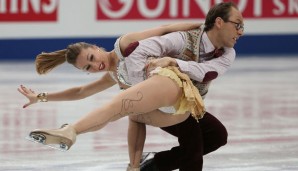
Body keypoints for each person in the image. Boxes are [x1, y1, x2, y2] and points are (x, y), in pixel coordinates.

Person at [126, 2, 244, 171]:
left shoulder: (228, 53)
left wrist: (175, 62)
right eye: (237, 25)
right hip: (164, 104)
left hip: (189, 105)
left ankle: (155, 162)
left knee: (217, 136)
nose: (240, 32)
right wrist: (141, 93)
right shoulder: (183, 39)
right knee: (193, 144)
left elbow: (206, 72)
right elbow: (137, 50)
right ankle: (155, 163)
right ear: (219, 22)